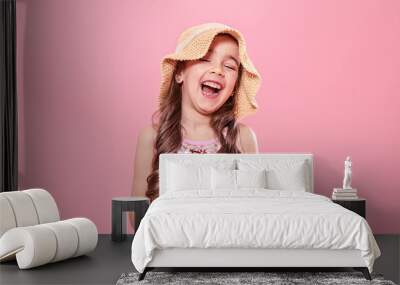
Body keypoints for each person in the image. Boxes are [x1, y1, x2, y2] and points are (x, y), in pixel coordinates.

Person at [131, 22, 262, 213]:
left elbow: (254, 210)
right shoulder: (151, 136)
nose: (217, 70)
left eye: (229, 66)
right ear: (180, 73)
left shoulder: (244, 137)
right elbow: (136, 217)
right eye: (205, 58)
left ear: (234, 88)